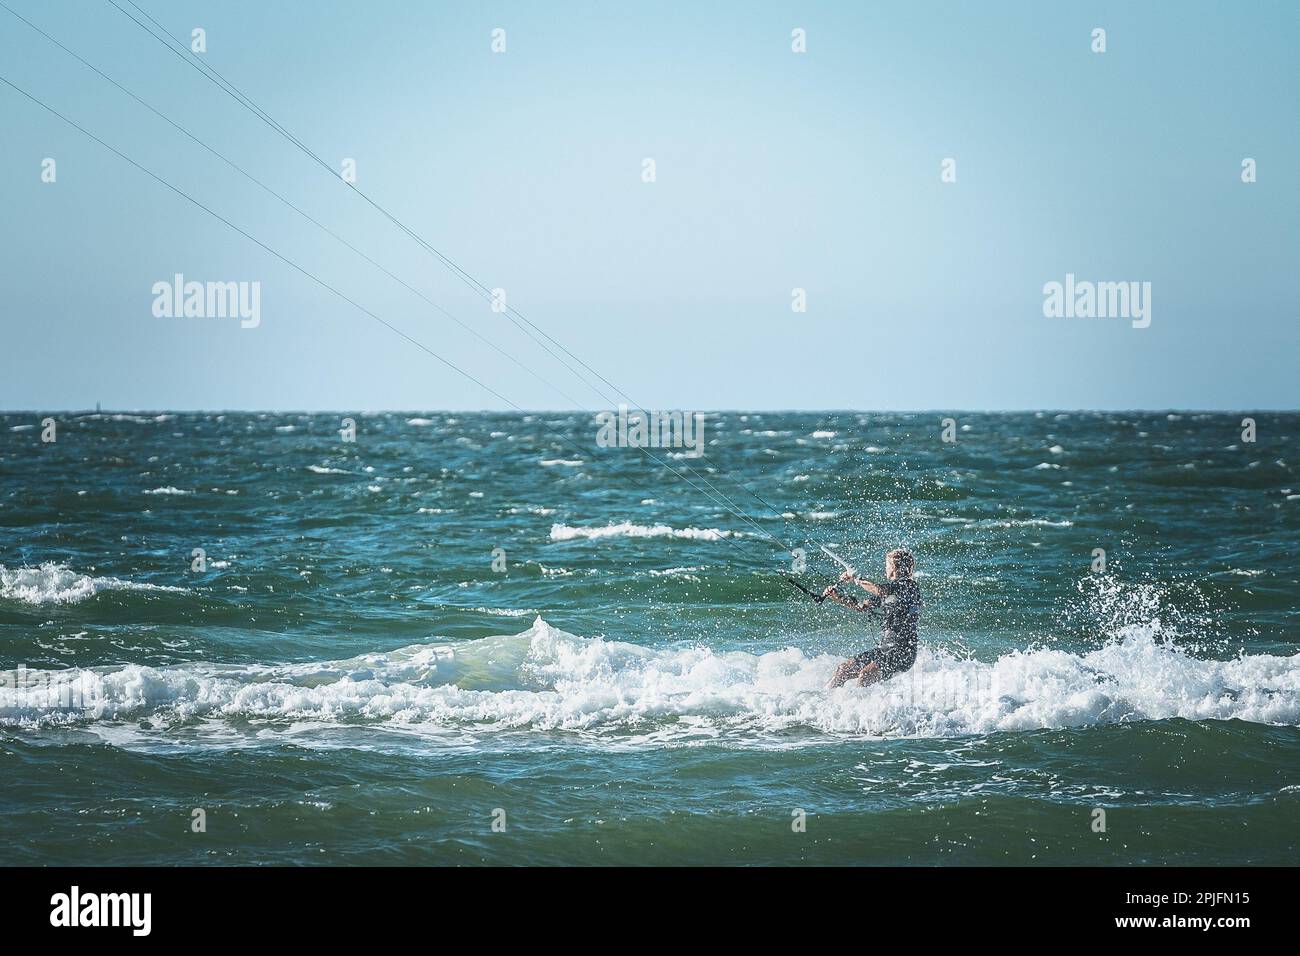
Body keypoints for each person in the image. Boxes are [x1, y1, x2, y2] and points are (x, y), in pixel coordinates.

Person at [824, 548, 922, 687]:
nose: (885, 569)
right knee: (843, 670)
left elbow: (879, 589)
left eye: (887, 566)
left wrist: (856, 578)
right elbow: (861, 606)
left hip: (903, 652)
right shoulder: (890, 592)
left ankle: (857, 708)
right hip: (885, 649)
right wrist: (837, 596)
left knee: (866, 674)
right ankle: (826, 702)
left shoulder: (909, 587)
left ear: (895, 568)